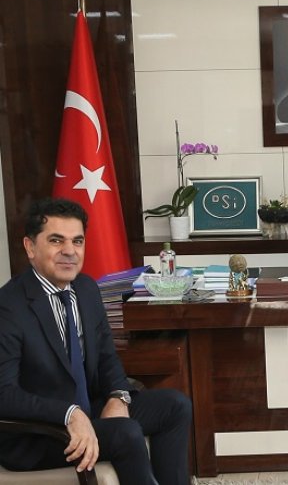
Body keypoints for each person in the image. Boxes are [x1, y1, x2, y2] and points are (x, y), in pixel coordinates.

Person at [0, 198, 192, 484]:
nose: (69, 251)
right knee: (126, 433)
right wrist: (68, 414)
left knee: (175, 405)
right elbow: (4, 394)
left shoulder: (87, 288)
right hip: (37, 433)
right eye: (56, 240)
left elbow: (106, 357)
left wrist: (118, 396)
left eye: (77, 241)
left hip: (88, 409)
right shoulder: (8, 306)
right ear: (30, 247)